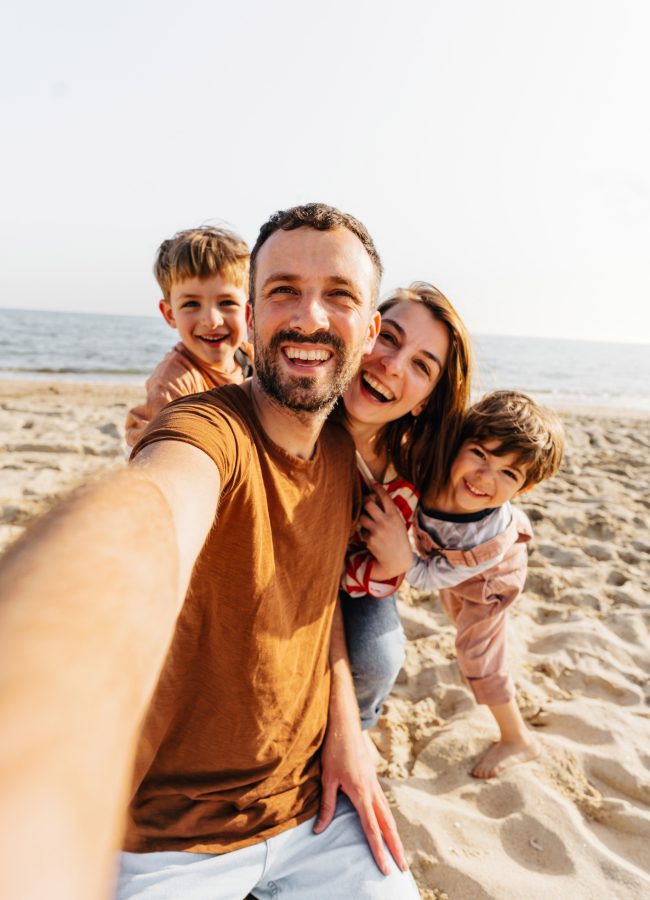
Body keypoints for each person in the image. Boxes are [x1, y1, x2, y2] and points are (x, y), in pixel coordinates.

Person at [0, 203, 420, 900]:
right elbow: (153, 508)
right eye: (283, 289)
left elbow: (320, 611)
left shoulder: (345, 454)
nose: (310, 317)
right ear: (252, 318)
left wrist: (347, 728)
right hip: (169, 840)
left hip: (315, 814)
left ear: (369, 331)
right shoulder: (201, 425)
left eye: (339, 295)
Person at [358, 390, 565, 778]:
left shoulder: (487, 538)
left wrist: (401, 556)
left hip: (491, 580)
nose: (485, 477)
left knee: (477, 652)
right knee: (455, 614)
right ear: (460, 442)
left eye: (508, 473)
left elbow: (427, 576)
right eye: (481, 454)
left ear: (523, 490)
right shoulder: (435, 471)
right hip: (450, 566)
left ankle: (517, 738)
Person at [337, 282, 473, 729]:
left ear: (426, 402)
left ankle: (358, 727)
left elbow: (492, 501)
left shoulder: (417, 461)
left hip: (366, 579)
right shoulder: (303, 413)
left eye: (420, 365)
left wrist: (402, 561)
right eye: (388, 337)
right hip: (302, 573)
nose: (391, 366)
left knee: (380, 659)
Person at [125, 225, 253, 447]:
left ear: (249, 309)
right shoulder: (173, 384)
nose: (212, 321)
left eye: (226, 303)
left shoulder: (250, 356)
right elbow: (165, 452)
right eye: (192, 304)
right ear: (170, 314)